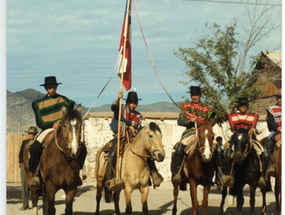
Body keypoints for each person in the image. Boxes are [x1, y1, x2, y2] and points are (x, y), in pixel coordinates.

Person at [29, 76, 87, 188]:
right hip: (47, 129)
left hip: (62, 129)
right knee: (35, 147)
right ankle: (35, 174)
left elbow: (71, 109)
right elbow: (39, 123)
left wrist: (62, 122)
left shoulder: (63, 100)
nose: (52, 89)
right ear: (46, 88)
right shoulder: (39, 103)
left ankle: (77, 172)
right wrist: (51, 125)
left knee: (82, 147)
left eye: (54, 87)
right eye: (50, 87)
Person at [106, 91, 163, 190]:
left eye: (135, 103)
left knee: (147, 153)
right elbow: (113, 108)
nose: (133, 105)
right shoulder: (121, 110)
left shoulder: (138, 115)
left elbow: (140, 128)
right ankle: (111, 180)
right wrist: (118, 99)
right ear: (127, 102)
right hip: (121, 137)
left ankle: (154, 174)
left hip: (134, 139)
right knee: (111, 156)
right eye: (131, 103)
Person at [171, 86, 215, 190]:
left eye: (196, 95)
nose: (195, 97)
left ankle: (220, 176)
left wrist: (203, 124)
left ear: (200, 95)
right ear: (191, 96)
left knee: (217, 149)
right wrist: (189, 121)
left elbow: (212, 121)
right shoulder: (185, 107)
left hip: (203, 134)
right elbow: (179, 121)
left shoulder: (207, 109)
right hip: (190, 133)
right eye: (193, 95)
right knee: (179, 148)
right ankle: (178, 175)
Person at [222, 97, 264, 187]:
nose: (243, 106)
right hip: (236, 140)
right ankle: (228, 176)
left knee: (264, 153)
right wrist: (233, 136)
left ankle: (261, 175)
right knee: (227, 153)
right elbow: (228, 130)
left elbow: (260, 128)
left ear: (247, 105)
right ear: (238, 105)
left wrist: (255, 130)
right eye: (241, 105)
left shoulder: (253, 116)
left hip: (250, 139)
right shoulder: (232, 116)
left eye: (245, 104)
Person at [262, 89, 282, 184]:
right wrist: (279, 128)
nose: (281, 99)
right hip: (277, 132)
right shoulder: (272, 109)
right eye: (279, 97)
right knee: (268, 146)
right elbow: (270, 122)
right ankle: (267, 171)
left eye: (282, 97)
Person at [18, 126, 38, 210]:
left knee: (34, 185)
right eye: (29, 133)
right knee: (24, 185)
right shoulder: (24, 142)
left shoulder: (37, 143)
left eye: (31, 134)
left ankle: (34, 204)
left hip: (34, 166)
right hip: (24, 165)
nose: (29, 135)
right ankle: (25, 204)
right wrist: (21, 162)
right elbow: (20, 154)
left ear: (35, 135)